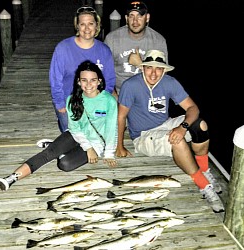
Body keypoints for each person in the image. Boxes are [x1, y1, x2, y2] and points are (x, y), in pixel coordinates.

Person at [116, 49, 224, 213]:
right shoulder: (130, 86)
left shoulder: (169, 82)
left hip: (165, 124)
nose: (153, 73)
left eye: (158, 68)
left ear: (164, 69)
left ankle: (204, 170)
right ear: (143, 67)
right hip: (144, 136)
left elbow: (193, 108)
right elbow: (121, 116)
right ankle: (203, 185)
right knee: (178, 141)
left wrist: (183, 127)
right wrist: (120, 146)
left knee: (200, 125)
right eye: (149, 67)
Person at [0, 60, 118, 191]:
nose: (88, 84)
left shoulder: (108, 101)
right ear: (78, 81)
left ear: (99, 81)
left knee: (65, 164)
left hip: (96, 142)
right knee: (48, 154)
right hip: (76, 135)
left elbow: (111, 129)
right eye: (84, 80)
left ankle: (57, 147)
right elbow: (75, 128)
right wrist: (88, 148)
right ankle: (11, 178)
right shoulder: (72, 99)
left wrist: (109, 153)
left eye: (93, 80)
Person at [50, 6, 116, 133]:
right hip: (69, 101)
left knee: (97, 136)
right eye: (82, 24)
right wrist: (60, 104)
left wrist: (101, 101)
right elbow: (55, 80)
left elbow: (109, 81)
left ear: (97, 26)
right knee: (72, 138)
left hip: (95, 101)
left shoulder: (104, 50)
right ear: (77, 26)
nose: (87, 28)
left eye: (91, 24)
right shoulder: (63, 48)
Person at [104, 1, 168, 97]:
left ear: (147, 18)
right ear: (126, 18)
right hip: (118, 93)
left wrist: (140, 64)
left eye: (140, 16)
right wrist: (114, 97)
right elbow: (103, 72)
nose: (135, 21)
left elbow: (163, 75)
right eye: (131, 16)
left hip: (148, 94)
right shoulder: (112, 39)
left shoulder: (158, 41)